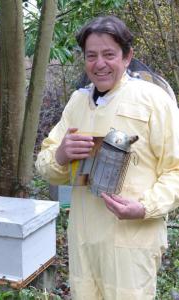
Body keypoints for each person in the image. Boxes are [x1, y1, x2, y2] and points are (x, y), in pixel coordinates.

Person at [35, 15, 179, 300]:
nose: (99, 63)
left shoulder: (154, 100)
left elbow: (175, 169)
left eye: (109, 54)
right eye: (91, 56)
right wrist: (61, 155)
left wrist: (144, 207)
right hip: (84, 241)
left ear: (127, 57)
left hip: (131, 242)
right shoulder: (77, 102)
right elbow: (47, 163)